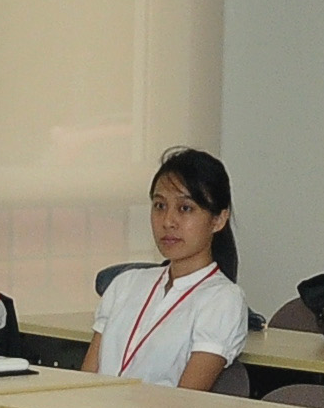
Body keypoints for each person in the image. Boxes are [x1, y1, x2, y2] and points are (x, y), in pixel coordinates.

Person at [94, 147, 247, 389]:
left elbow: (185, 399)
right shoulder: (125, 284)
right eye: (159, 206)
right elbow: (86, 382)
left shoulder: (223, 299)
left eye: (185, 208)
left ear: (218, 219)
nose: (167, 221)